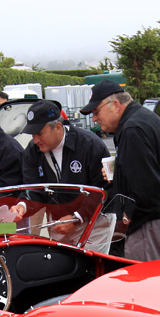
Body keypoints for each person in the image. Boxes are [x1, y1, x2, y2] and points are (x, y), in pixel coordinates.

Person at [80, 81, 160, 261]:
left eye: (96, 112)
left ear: (115, 105)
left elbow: (146, 191)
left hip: (151, 223)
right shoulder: (146, 119)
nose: (94, 119)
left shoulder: (132, 130)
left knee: (147, 284)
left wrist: (127, 218)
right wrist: (119, 172)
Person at [10, 100, 109, 244]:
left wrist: (77, 217)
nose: (35, 140)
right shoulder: (32, 151)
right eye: (32, 134)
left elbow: (102, 189)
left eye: (39, 133)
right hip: (58, 224)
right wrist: (22, 206)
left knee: (93, 265)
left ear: (57, 127)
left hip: (94, 222)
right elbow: (33, 187)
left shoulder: (90, 144)